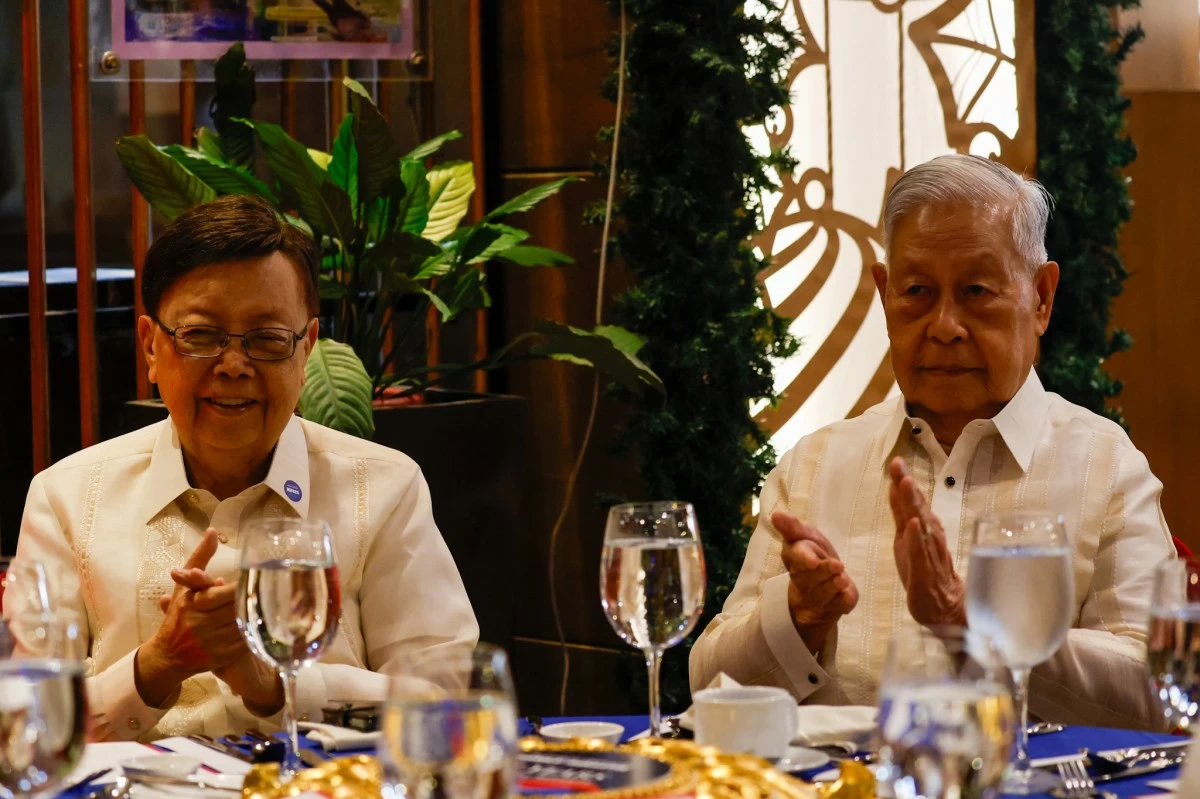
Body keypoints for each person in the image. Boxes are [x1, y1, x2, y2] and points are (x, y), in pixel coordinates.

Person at [690, 154, 1173, 729]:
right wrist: (799, 618)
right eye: (917, 290)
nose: (945, 325)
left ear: (1041, 297)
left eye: (976, 290)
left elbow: (1159, 689)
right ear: (884, 293)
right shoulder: (816, 464)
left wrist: (977, 626)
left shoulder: (1104, 465)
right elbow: (708, 684)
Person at [3, 195, 478, 740]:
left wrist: (271, 684)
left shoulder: (385, 487)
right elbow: (25, 725)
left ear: (307, 352)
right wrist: (157, 665)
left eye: (268, 339)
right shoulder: (65, 496)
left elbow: (449, 701)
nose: (233, 365)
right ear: (151, 348)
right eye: (201, 336)